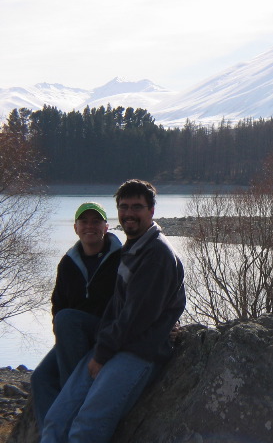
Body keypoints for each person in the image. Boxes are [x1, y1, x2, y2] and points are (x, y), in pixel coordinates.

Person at [41, 180, 186, 443]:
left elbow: (136, 317)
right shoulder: (131, 249)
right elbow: (113, 307)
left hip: (139, 352)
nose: (129, 213)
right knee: (56, 421)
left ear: (151, 211)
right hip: (111, 346)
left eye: (137, 207)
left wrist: (102, 353)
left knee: (86, 427)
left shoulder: (157, 254)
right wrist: (100, 348)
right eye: (124, 206)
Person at [31, 202, 122, 431]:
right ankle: (52, 434)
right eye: (84, 222)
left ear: (106, 227)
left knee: (67, 319)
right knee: (40, 378)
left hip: (107, 331)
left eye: (96, 221)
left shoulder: (122, 258)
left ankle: (72, 403)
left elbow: (140, 296)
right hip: (74, 334)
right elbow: (57, 304)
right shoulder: (68, 263)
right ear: (75, 228)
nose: (89, 226)